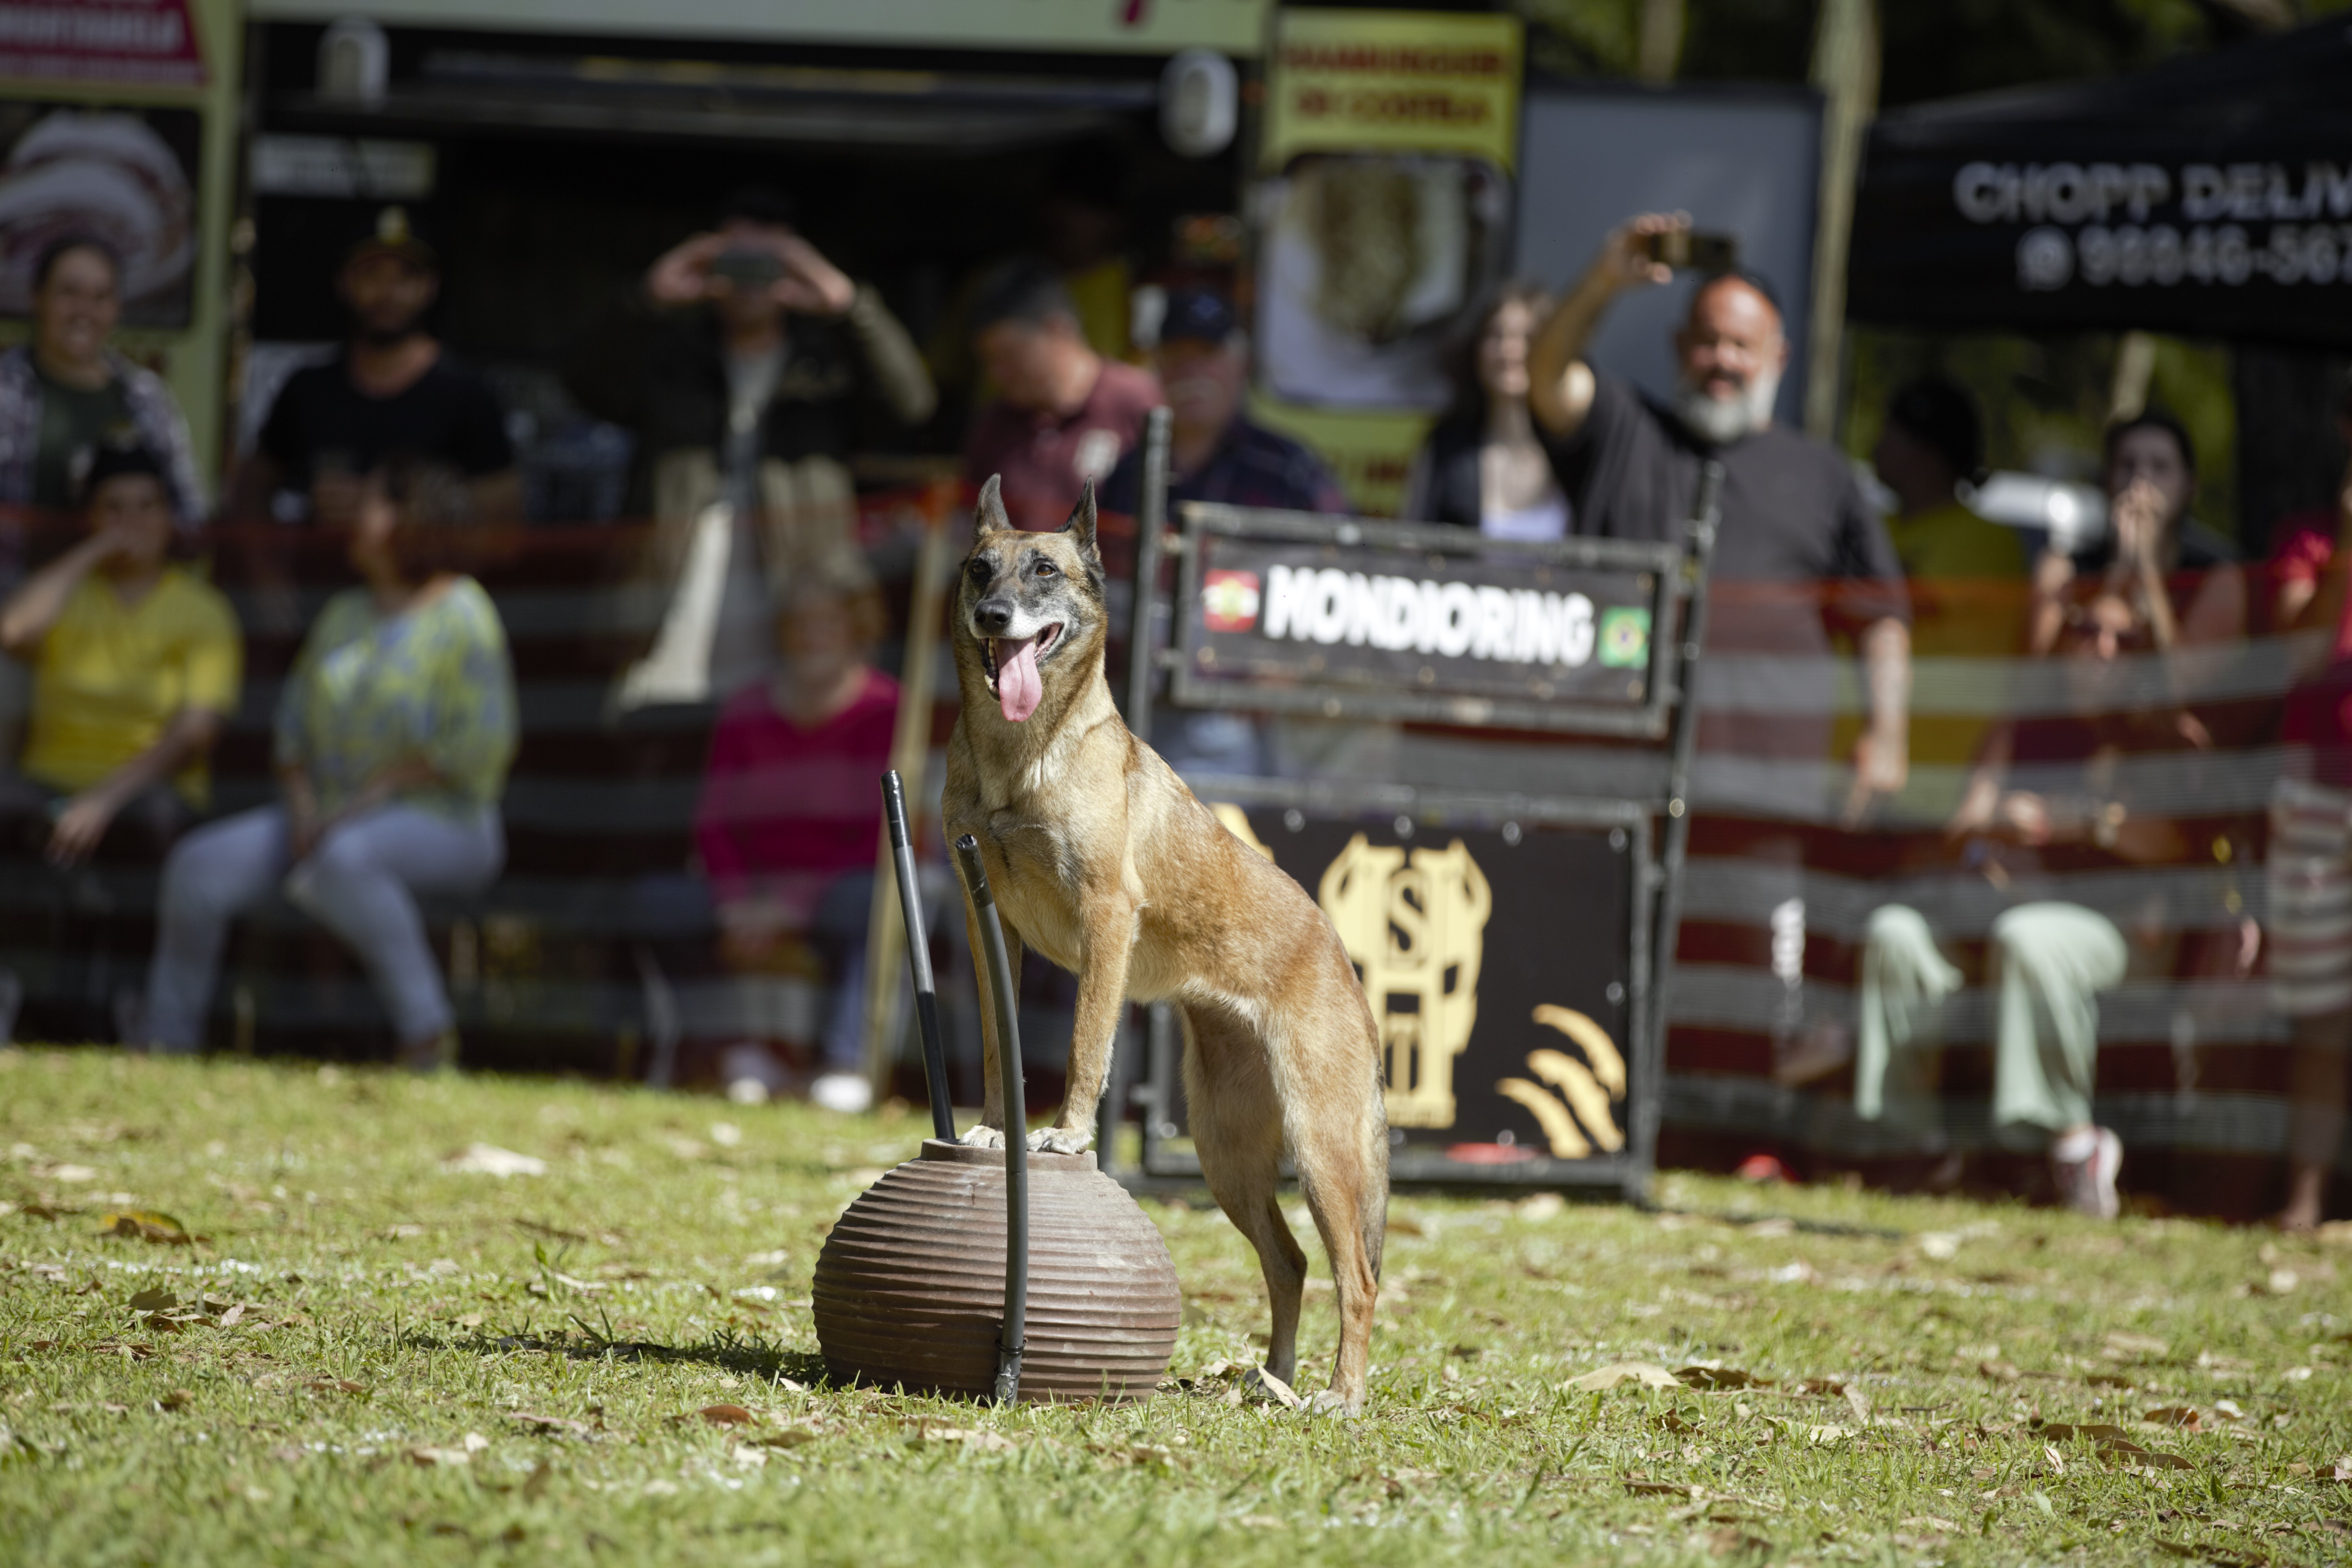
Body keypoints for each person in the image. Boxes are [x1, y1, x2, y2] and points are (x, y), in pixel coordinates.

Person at [1528, 213, 1911, 1078]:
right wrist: (1600, 282)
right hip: (1619, 786)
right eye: (1706, 342)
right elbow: (1546, 378)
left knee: (1752, 993)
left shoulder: (1822, 478)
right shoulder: (1625, 430)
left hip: (1766, 798)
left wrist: (1887, 736)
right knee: (1604, 977)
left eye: (1744, 346)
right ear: (1678, 345)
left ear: (1779, 357)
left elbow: (1883, 615)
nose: (1723, 361)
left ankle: (1747, 1138)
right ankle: (1600, 1126)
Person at [143, 460, 515, 1069]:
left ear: (406, 519)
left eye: (367, 505)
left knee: (345, 858)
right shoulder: (345, 612)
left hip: (446, 821)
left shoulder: (466, 615)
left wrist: (372, 797)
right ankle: (164, 1039)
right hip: (322, 816)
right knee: (197, 867)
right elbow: (291, 726)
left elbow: (480, 745)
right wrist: (304, 806)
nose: (349, 519)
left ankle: (425, 1035)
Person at [566, 186, 934, 705]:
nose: (752, 278)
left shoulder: (826, 363)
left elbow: (912, 404)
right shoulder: (674, 352)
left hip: (796, 596)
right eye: (737, 259)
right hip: (672, 588)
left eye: (772, 261)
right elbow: (587, 385)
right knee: (657, 740)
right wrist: (647, 299)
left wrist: (847, 305)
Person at [0, 442, 239, 1040]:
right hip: (51, 786)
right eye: (115, 508)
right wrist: (95, 552)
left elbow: (197, 731)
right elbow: (14, 630)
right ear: (90, 517)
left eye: (147, 506)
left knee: (155, 828)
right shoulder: (68, 593)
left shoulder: (202, 608)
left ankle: (138, 1014)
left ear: (169, 516)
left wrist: (104, 800)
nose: (134, 522)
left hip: (149, 791)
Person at [688, 552, 899, 1112]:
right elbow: (713, 822)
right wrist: (735, 902)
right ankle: (741, 1051)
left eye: (827, 623)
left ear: (858, 628)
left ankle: (845, 1061)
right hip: (751, 890)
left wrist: (793, 903)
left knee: (874, 900)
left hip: (842, 884)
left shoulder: (889, 712)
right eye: (800, 625)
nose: (812, 637)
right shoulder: (745, 710)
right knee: (665, 903)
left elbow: (881, 831)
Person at [231, 207, 519, 527]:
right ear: (343, 282)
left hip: (420, 574)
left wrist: (401, 507)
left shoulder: (466, 394)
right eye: (372, 273)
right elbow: (251, 492)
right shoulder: (308, 389)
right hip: (321, 574)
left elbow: (506, 509)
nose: (388, 291)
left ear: (431, 287)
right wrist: (270, 575)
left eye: (406, 276)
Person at [2261, 369, 2352, 1230]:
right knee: (2321, 1014)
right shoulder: (2310, 543)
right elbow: (2297, 659)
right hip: (2317, 799)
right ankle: (2305, 1201)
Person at [0, 236, 203, 523]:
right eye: (69, 293)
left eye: (100, 297)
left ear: (117, 308)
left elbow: (190, 517)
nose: (84, 311)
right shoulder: (5, 388)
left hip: (119, 568)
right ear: (37, 297)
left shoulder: (146, 397)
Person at [1100, 288, 1346, 518]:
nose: (1191, 370)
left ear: (1244, 365)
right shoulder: (1130, 473)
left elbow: (1346, 552)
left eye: (1208, 353)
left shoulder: (1288, 472)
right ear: (1158, 368)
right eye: (1177, 355)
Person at [961, 258, 1158, 531]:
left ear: (1058, 329)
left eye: (1009, 357)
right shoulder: (996, 422)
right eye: (989, 362)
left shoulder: (1137, 402)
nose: (997, 374)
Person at [2030, 409, 2243, 660]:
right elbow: (2039, 674)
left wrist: (2148, 572)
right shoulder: (2062, 572)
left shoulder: (2217, 580)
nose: (2140, 480)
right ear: (2107, 480)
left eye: (2160, 467)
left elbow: (2186, 686)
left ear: (2189, 487)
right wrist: (2117, 575)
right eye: (2127, 465)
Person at [1403, 282, 1572, 538]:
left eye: (1527, 338)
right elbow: (1412, 541)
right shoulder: (1448, 446)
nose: (1508, 351)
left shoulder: (1576, 446)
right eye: (1496, 336)